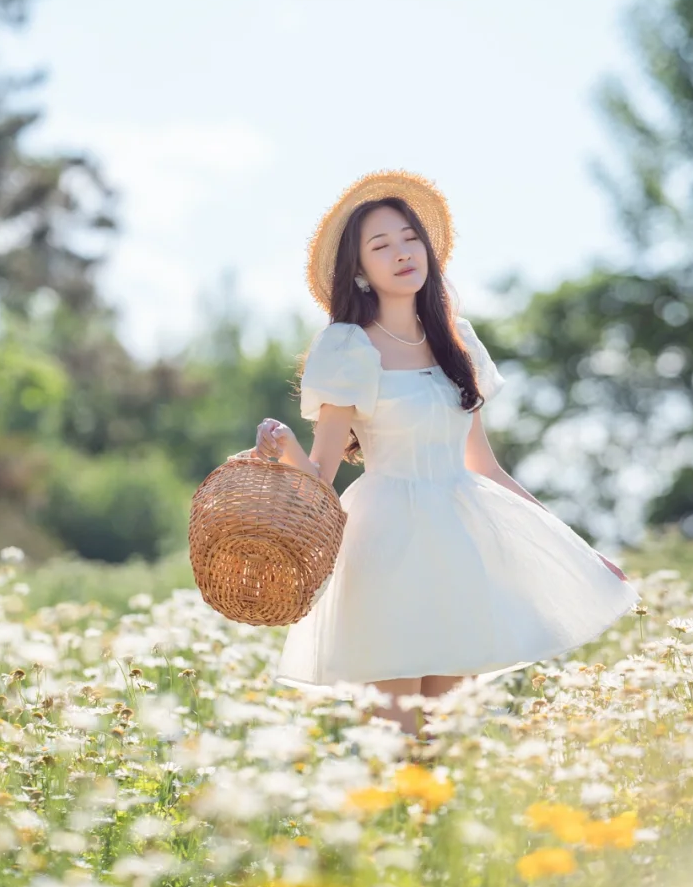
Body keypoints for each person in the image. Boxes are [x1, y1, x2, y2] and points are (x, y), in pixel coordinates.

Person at [253, 170, 639, 733]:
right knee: (396, 736)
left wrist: (581, 552)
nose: (402, 253)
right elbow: (320, 476)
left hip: (457, 547)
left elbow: (484, 466)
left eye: (410, 238)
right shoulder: (347, 348)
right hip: (383, 547)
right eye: (381, 246)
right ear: (359, 270)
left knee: (447, 739)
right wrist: (285, 445)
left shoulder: (458, 342)